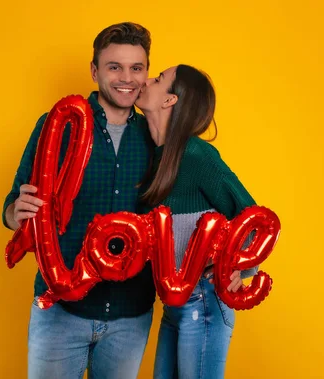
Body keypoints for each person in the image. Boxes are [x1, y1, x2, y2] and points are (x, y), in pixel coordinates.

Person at [2, 22, 156, 379]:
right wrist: (15, 212)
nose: (126, 78)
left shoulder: (155, 134)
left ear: (146, 71)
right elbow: (13, 203)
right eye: (114, 66)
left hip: (129, 316)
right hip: (60, 312)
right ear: (94, 70)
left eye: (137, 68)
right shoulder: (58, 124)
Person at [135, 64, 259, 379]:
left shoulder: (196, 154)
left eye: (159, 79)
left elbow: (253, 219)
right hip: (173, 304)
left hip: (203, 300)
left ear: (169, 101)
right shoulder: (157, 157)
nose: (147, 80)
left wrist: (240, 269)